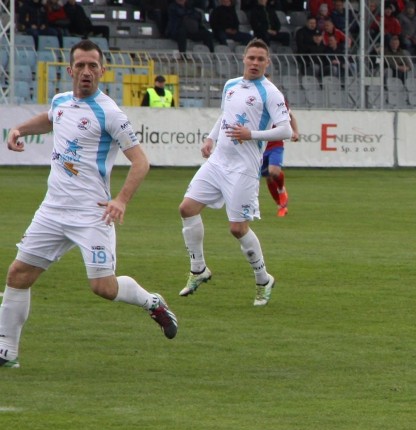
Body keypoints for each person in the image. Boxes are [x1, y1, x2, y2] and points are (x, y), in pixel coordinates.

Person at [0, 39, 177, 369]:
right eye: (80, 65)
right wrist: (20, 128)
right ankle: (7, 350)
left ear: (102, 71)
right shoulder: (62, 101)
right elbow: (50, 118)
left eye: (92, 66)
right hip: (52, 210)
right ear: (70, 70)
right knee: (18, 273)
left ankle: (151, 301)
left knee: (103, 288)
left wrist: (121, 200)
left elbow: (141, 162)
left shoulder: (110, 113)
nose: (86, 71)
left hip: (92, 214)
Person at [177, 39, 292, 307]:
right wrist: (210, 138)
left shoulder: (270, 93)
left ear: (267, 62)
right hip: (218, 162)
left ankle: (263, 279)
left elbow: (286, 130)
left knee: (238, 228)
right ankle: (198, 270)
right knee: (186, 208)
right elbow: (224, 116)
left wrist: (252, 134)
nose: (255, 63)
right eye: (251, 58)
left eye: (260, 59)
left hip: (243, 168)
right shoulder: (231, 85)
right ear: (244, 58)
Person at [261, 107, 300, 218]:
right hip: (260, 146)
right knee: (268, 177)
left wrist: (295, 132)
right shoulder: (254, 99)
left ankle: (281, 189)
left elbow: (291, 116)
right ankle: (280, 206)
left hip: (276, 144)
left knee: (273, 171)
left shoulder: (278, 99)